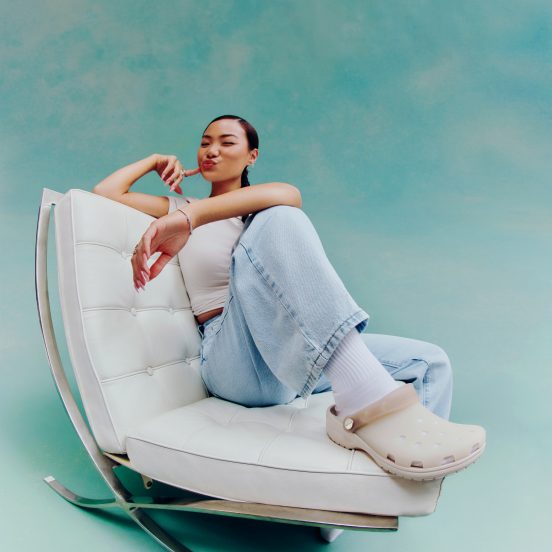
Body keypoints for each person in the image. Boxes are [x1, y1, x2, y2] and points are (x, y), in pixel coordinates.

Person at [93, 114, 486, 482]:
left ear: (252, 156)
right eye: (205, 143)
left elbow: (288, 194)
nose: (211, 151)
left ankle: (389, 479)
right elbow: (105, 193)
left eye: (227, 143)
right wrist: (155, 161)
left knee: (430, 362)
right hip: (236, 362)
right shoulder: (178, 208)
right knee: (277, 218)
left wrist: (190, 219)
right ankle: (364, 396)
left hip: (286, 358)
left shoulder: (238, 212)